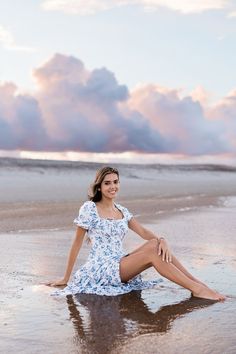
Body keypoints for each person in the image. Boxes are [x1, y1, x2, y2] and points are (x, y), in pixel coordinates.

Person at [47, 166, 225, 301]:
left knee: (155, 245)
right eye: (107, 183)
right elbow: (76, 244)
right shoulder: (89, 209)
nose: (112, 186)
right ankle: (196, 288)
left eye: (115, 182)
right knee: (151, 253)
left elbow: (143, 231)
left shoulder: (122, 210)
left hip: (119, 262)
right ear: (99, 187)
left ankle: (196, 282)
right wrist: (66, 277)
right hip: (101, 268)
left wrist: (162, 240)